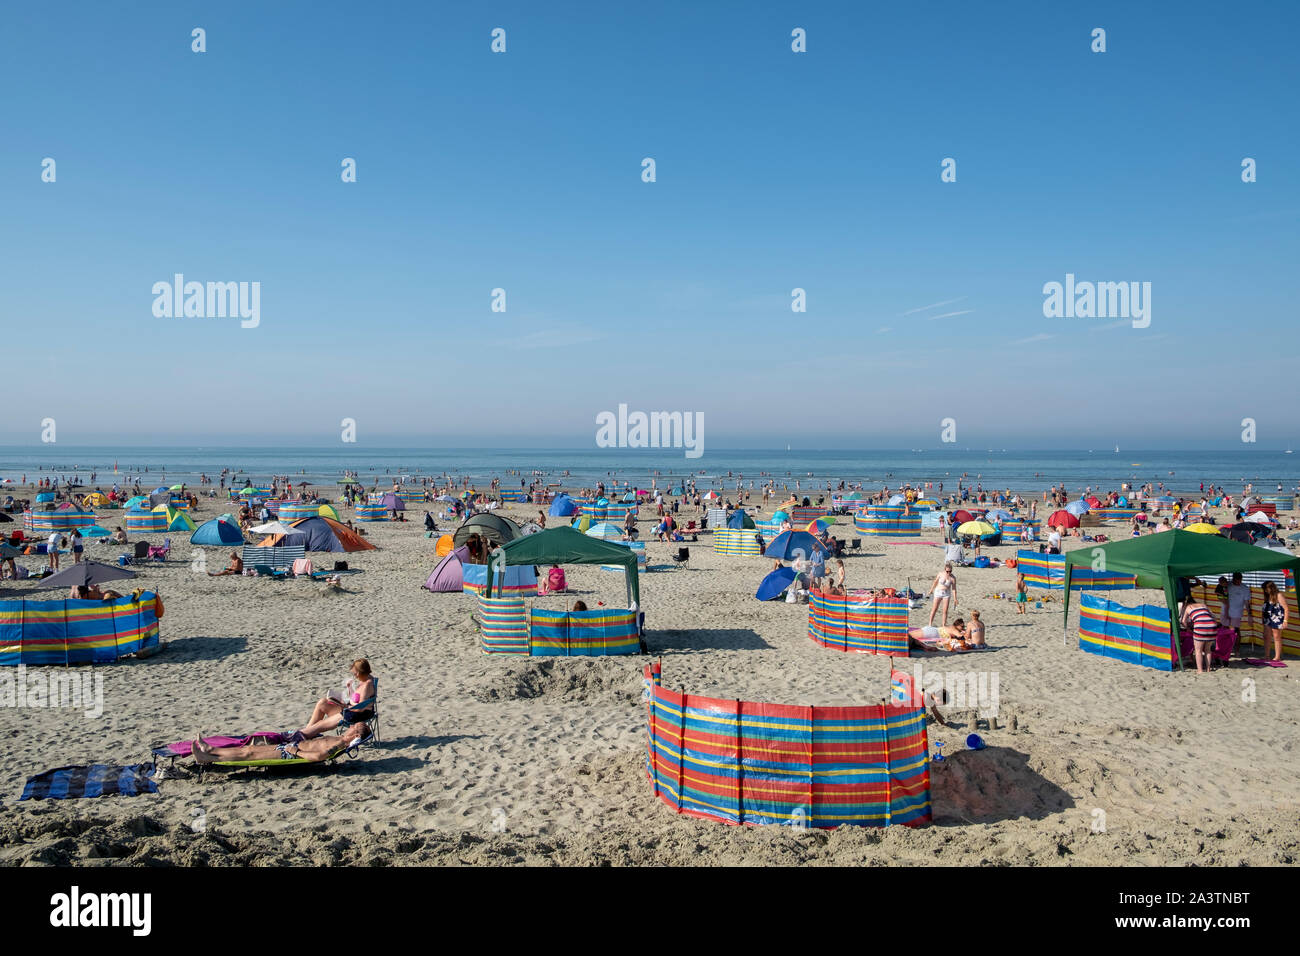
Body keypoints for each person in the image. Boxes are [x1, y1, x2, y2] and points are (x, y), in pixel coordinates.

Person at [192, 722, 372, 764]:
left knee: (249, 754)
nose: (349, 727)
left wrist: (295, 751)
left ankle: (208, 757)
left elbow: (319, 756)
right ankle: (210, 750)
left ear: (355, 733)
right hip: (291, 748)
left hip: (290, 752)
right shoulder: (339, 739)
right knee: (250, 748)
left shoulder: (339, 745)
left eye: (353, 727)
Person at [290, 658, 377, 742]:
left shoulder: (367, 685)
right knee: (322, 702)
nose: (355, 676)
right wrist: (350, 688)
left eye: (355, 674)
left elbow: (360, 708)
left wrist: (345, 706)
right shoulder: (366, 679)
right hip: (351, 709)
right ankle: (305, 732)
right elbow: (358, 698)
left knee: (319, 725)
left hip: (355, 714)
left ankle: (301, 735)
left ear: (359, 672)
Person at [1181, 597, 1220, 673]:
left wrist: (1189, 629)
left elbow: (1183, 622)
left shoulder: (1189, 607)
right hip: (1212, 626)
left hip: (1200, 626)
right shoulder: (1203, 605)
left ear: (1186, 603)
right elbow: (1214, 617)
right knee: (1208, 650)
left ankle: (1200, 670)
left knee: (1198, 651)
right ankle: (1208, 669)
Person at [1221, 572, 1252, 648]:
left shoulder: (1245, 588)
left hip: (1237, 613)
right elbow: (1220, 581)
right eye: (1236, 581)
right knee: (1224, 630)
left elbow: (1247, 603)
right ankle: (1225, 648)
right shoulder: (1227, 585)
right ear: (1233, 579)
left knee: (1236, 631)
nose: (1238, 583)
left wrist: (1249, 615)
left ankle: (1237, 649)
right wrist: (1222, 581)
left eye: (1240, 581)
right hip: (1225, 611)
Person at [1261, 580, 1289, 663]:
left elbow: (1286, 608)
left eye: (1266, 589)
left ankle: (1277, 657)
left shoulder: (1279, 595)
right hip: (1267, 618)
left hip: (1277, 618)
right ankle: (1267, 656)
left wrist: (1285, 621)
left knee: (1276, 637)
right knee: (1266, 637)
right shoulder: (1267, 595)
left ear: (1270, 588)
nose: (1265, 591)